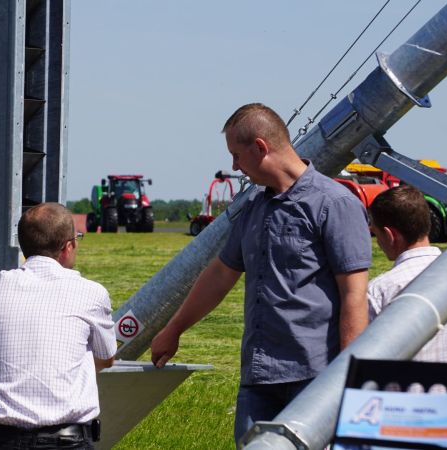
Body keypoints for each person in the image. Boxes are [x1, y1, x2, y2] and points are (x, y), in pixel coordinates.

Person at [150, 103, 372, 444]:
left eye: (237, 155)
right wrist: (174, 328)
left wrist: (345, 376)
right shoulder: (255, 207)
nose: (235, 166)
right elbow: (221, 274)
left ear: (260, 148)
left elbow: (354, 295)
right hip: (259, 377)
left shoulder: (334, 204)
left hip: (315, 378)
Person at [0, 202, 117, 449]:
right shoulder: (92, 293)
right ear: (68, 247)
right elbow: (106, 358)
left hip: (2, 440)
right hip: (67, 441)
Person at [367, 185, 447, 363]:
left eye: (377, 235)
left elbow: (366, 364)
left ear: (389, 234)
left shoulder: (378, 292)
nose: (378, 242)